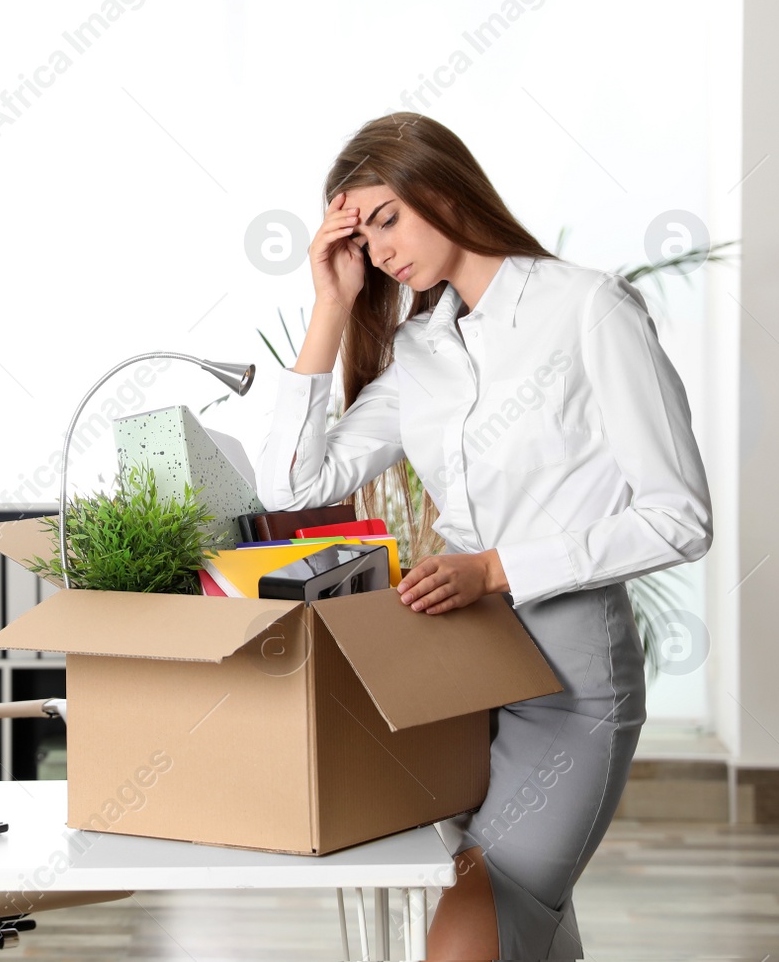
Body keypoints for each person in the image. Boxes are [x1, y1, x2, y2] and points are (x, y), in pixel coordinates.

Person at [254, 113, 712, 961]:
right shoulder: (419, 352)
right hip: (454, 679)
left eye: (387, 217)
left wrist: (497, 569)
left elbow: (679, 519)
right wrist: (330, 303)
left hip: (570, 682)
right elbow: (292, 484)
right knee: (523, 924)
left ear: (442, 184)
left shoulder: (587, 308)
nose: (381, 250)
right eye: (361, 235)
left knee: (482, 917)